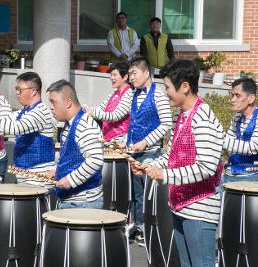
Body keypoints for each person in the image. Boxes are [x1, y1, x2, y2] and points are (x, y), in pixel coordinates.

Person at [133, 60, 224, 267]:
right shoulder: (181, 116)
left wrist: (165, 175)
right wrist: (149, 167)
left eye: (167, 87)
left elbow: (206, 168)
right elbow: (171, 155)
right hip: (180, 206)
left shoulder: (202, 117)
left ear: (184, 86)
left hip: (199, 209)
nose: (165, 92)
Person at [0, 72, 55, 181]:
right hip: (24, 172)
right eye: (16, 89)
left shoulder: (40, 111)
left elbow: (15, 127)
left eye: (20, 90)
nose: (17, 93)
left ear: (33, 91)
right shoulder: (23, 112)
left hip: (39, 174)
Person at [127, 57, 172, 245]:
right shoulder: (135, 94)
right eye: (129, 74)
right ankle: (139, 227)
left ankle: (151, 230)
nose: (130, 78)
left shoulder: (159, 95)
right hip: (133, 153)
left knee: (148, 194)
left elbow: (166, 123)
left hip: (150, 154)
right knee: (137, 195)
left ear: (146, 73)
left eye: (134, 73)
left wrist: (146, 142)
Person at [46, 79, 104, 209]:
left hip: (83, 203)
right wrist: (57, 170)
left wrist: (71, 180)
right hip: (72, 200)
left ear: (68, 103)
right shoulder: (69, 124)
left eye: (54, 102)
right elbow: (72, 157)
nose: (51, 107)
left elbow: (95, 160)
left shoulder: (85, 125)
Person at [220, 78, 258, 191]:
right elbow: (227, 143)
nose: (232, 100)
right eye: (232, 95)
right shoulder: (237, 117)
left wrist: (220, 140)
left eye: (237, 96)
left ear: (251, 98)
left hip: (252, 177)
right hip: (231, 172)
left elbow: (254, 147)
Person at [86, 61, 132, 142]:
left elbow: (115, 116)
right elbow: (100, 109)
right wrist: (85, 110)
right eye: (111, 75)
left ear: (125, 77)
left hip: (120, 140)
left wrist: (93, 113)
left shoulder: (129, 93)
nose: (112, 78)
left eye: (115, 75)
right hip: (108, 138)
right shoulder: (113, 94)